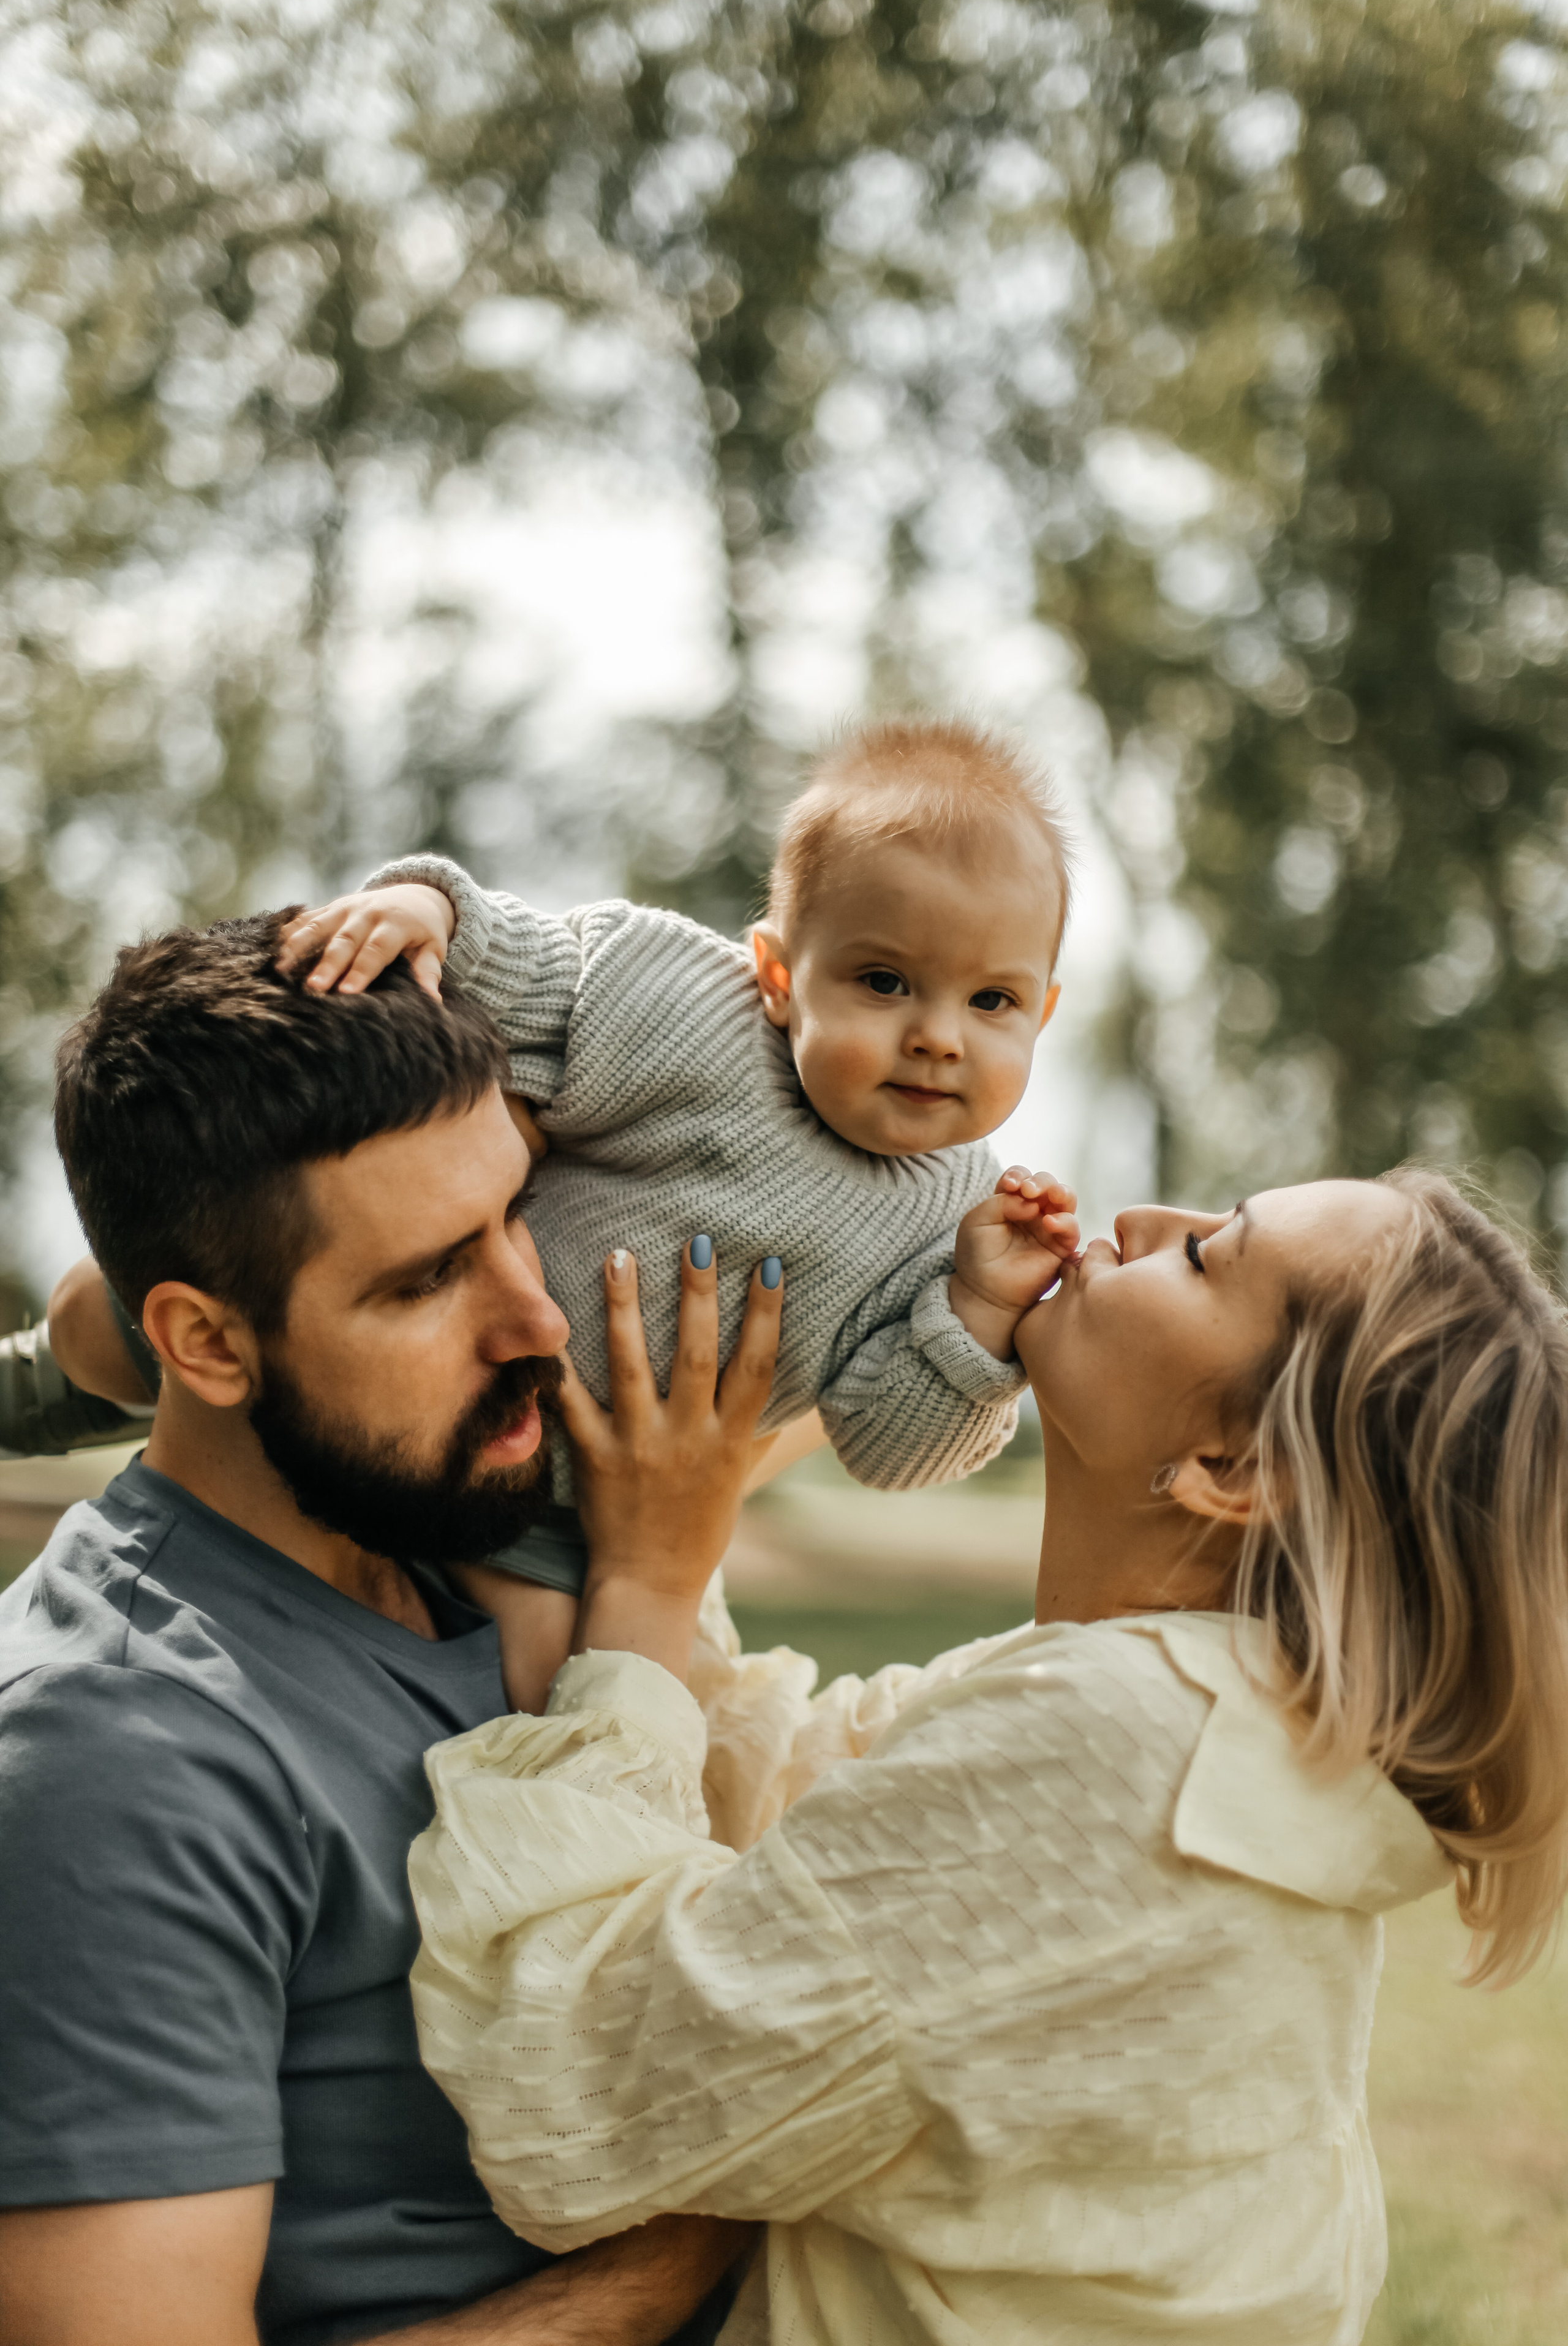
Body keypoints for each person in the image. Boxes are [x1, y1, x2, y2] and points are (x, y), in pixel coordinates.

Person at [403, 1172, 1568, 2344]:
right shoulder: (1207, 1717)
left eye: (1210, 1257)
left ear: (1232, 1468)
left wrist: (650, 1585)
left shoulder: (1129, 1750)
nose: (1148, 1221)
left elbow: (568, 2084)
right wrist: (678, 1511)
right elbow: (801, 1796)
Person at [0, 913, 753, 2346]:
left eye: (516, 1214)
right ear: (207, 1343)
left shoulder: (494, 1540)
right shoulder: (113, 1758)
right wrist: (710, 2225)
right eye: (423, 1281)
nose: (536, 1317)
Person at [265, 716, 1079, 1709]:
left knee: (543, 1694)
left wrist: (982, 1311)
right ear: (778, 978)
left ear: (1042, 1012)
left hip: (578, 1526)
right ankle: (53, 1375)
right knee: (187, 1326)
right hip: (428, 1398)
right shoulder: (687, 1007)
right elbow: (535, 974)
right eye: (883, 982)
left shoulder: (955, 1226)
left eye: (991, 1001)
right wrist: (430, 908)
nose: (937, 1038)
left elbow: (888, 1444)